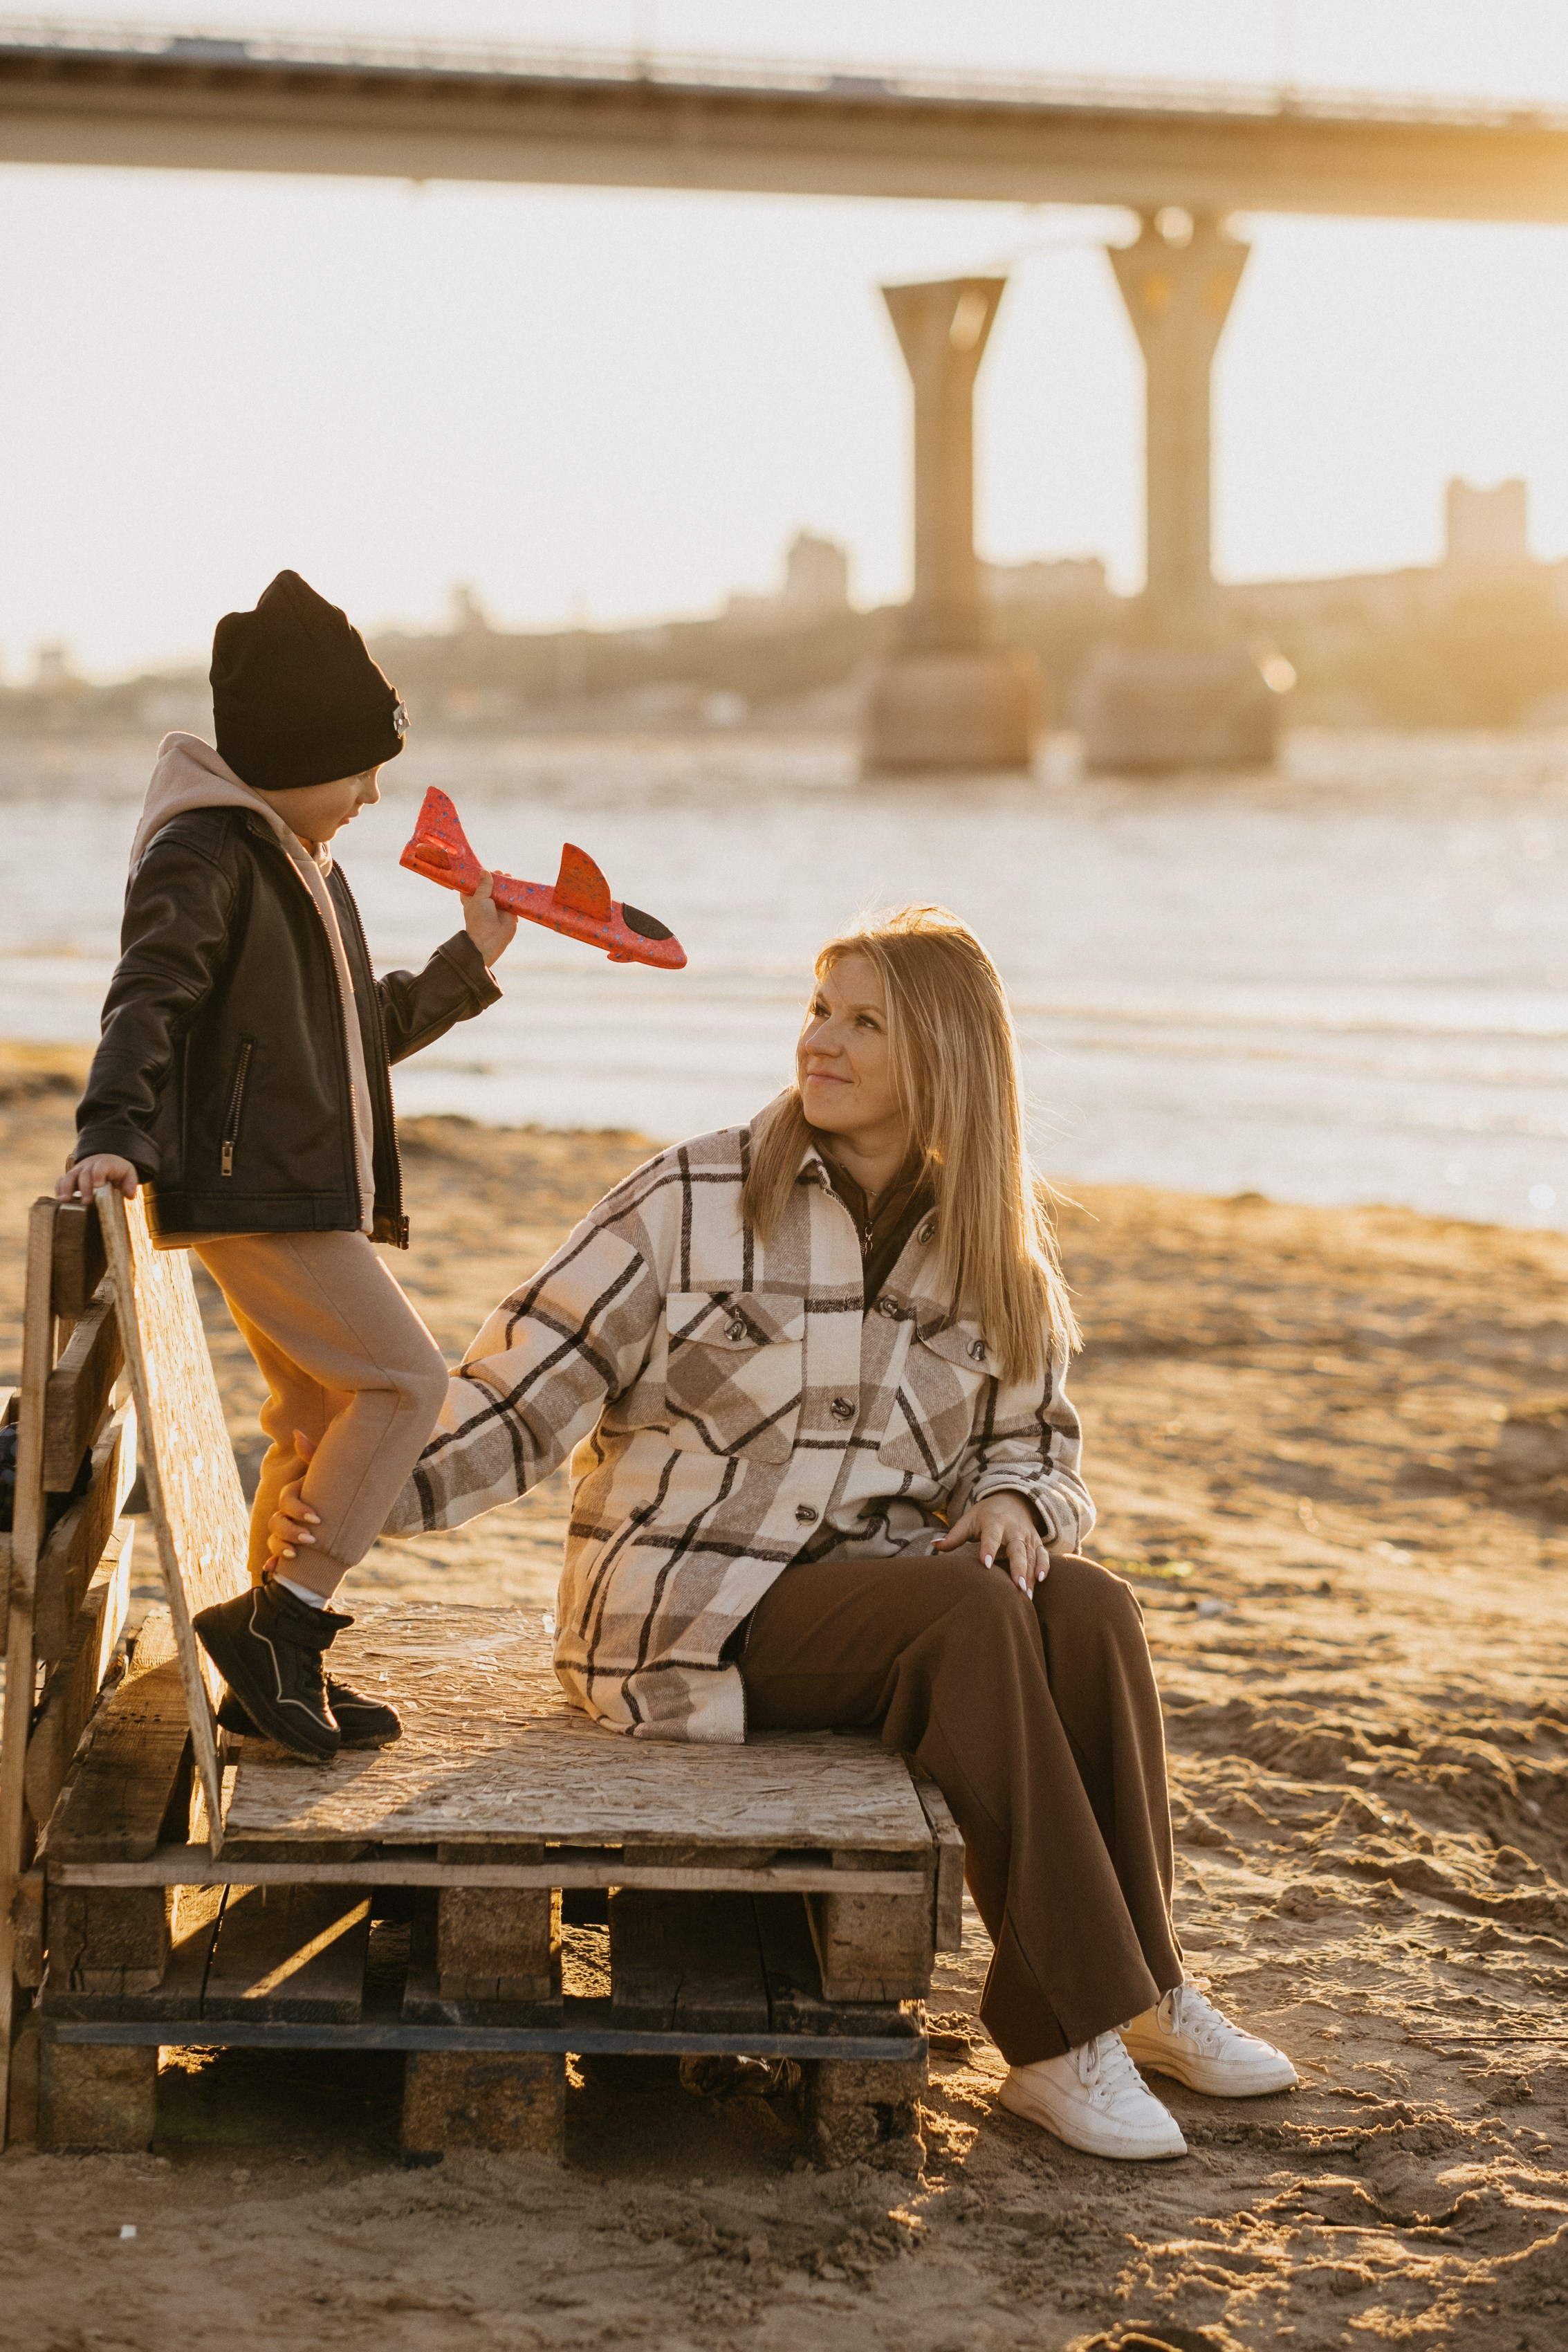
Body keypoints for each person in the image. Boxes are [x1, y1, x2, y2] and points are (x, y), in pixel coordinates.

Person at [273, 903, 1297, 2160]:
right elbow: (524, 1396)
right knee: (971, 1614)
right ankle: (1057, 2040)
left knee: (1084, 1602)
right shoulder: (693, 1195)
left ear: (946, 1062)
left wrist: (1016, 1504)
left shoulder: (993, 1248)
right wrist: (348, 1500)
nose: (821, 1041)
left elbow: (1041, 1441)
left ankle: (1146, 1989)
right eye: (820, 1009)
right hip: (677, 1621)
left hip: (872, 1609)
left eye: (864, 1021)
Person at [59, 569, 517, 1762]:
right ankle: (284, 1621)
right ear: (290, 754)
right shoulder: (209, 854)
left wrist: (467, 968)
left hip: (291, 1184)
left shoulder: (301, 862)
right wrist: (112, 1131)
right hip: (253, 1189)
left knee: (319, 1413)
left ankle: (274, 1667)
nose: (376, 792)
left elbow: (353, 1040)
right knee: (406, 1386)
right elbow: (147, 998)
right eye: (361, 766)